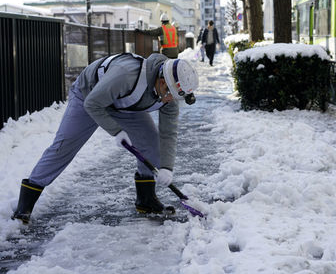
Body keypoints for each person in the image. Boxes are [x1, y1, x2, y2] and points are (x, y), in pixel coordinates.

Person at [11, 52, 199, 224]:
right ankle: (25, 204)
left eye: (174, 97)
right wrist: (116, 131)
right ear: (162, 80)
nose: (169, 100)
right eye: (168, 94)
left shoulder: (170, 100)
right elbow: (93, 104)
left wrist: (166, 167)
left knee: (153, 144)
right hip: (88, 97)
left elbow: (168, 134)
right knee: (64, 147)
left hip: (125, 105)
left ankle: (146, 200)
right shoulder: (127, 75)